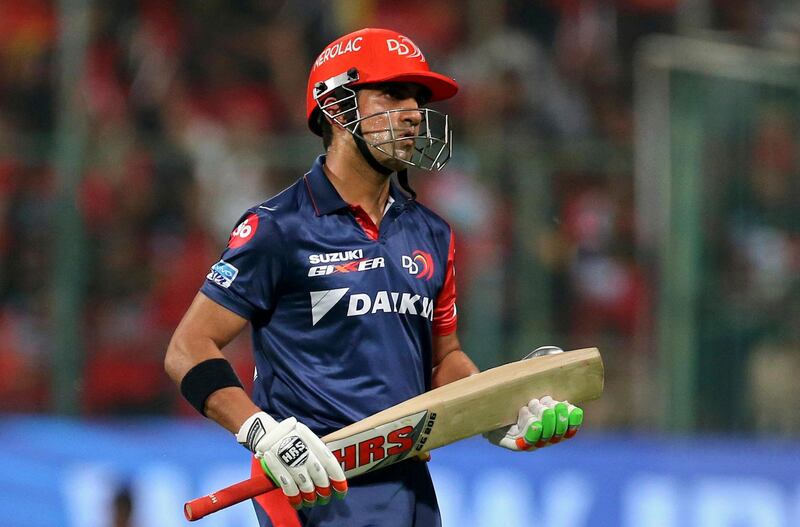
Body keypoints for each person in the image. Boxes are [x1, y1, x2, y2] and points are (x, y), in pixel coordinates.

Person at [164, 27, 584, 527]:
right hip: (312, 487)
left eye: (418, 98)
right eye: (393, 93)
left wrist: (498, 414)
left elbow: (441, 360)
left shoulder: (433, 232)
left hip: (410, 490)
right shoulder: (278, 227)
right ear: (336, 106)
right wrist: (261, 432)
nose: (412, 112)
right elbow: (188, 348)